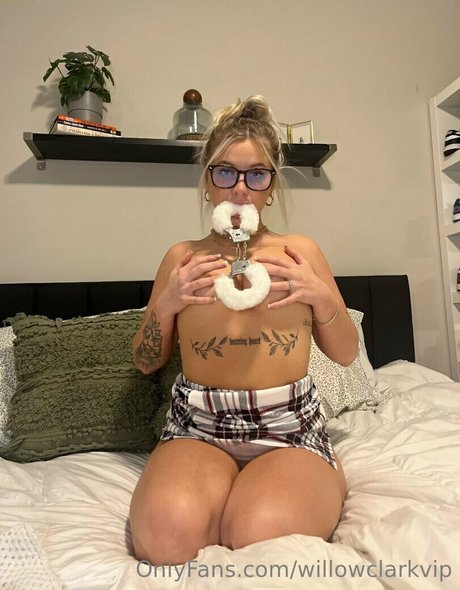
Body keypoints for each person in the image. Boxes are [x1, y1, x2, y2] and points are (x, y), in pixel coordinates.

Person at [129, 96, 358, 566]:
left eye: (256, 174)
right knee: (163, 539)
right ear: (207, 181)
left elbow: (346, 354)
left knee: (259, 538)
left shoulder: (299, 253)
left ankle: (318, 472)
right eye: (225, 172)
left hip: (287, 427)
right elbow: (146, 361)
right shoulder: (182, 259)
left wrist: (321, 297)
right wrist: (167, 304)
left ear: (270, 186)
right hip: (199, 426)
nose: (239, 188)